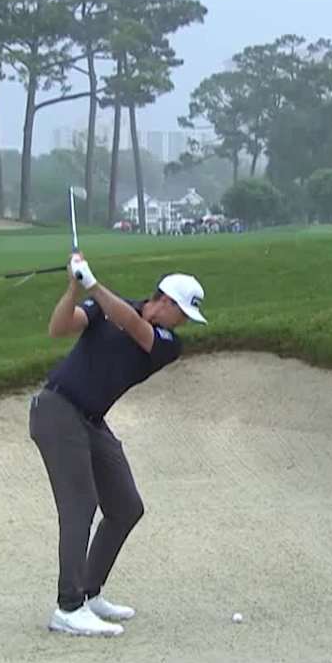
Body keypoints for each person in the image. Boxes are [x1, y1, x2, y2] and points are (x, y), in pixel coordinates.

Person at [30, 251, 207, 637]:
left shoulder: (167, 343)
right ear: (166, 301)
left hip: (91, 421)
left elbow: (131, 324)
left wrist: (92, 283)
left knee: (126, 506)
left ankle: (90, 592)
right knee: (81, 505)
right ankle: (68, 607)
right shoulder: (109, 307)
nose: (184, 324)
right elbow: (59, 328)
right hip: (57, 410)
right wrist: (74, 290)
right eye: (183, 313)